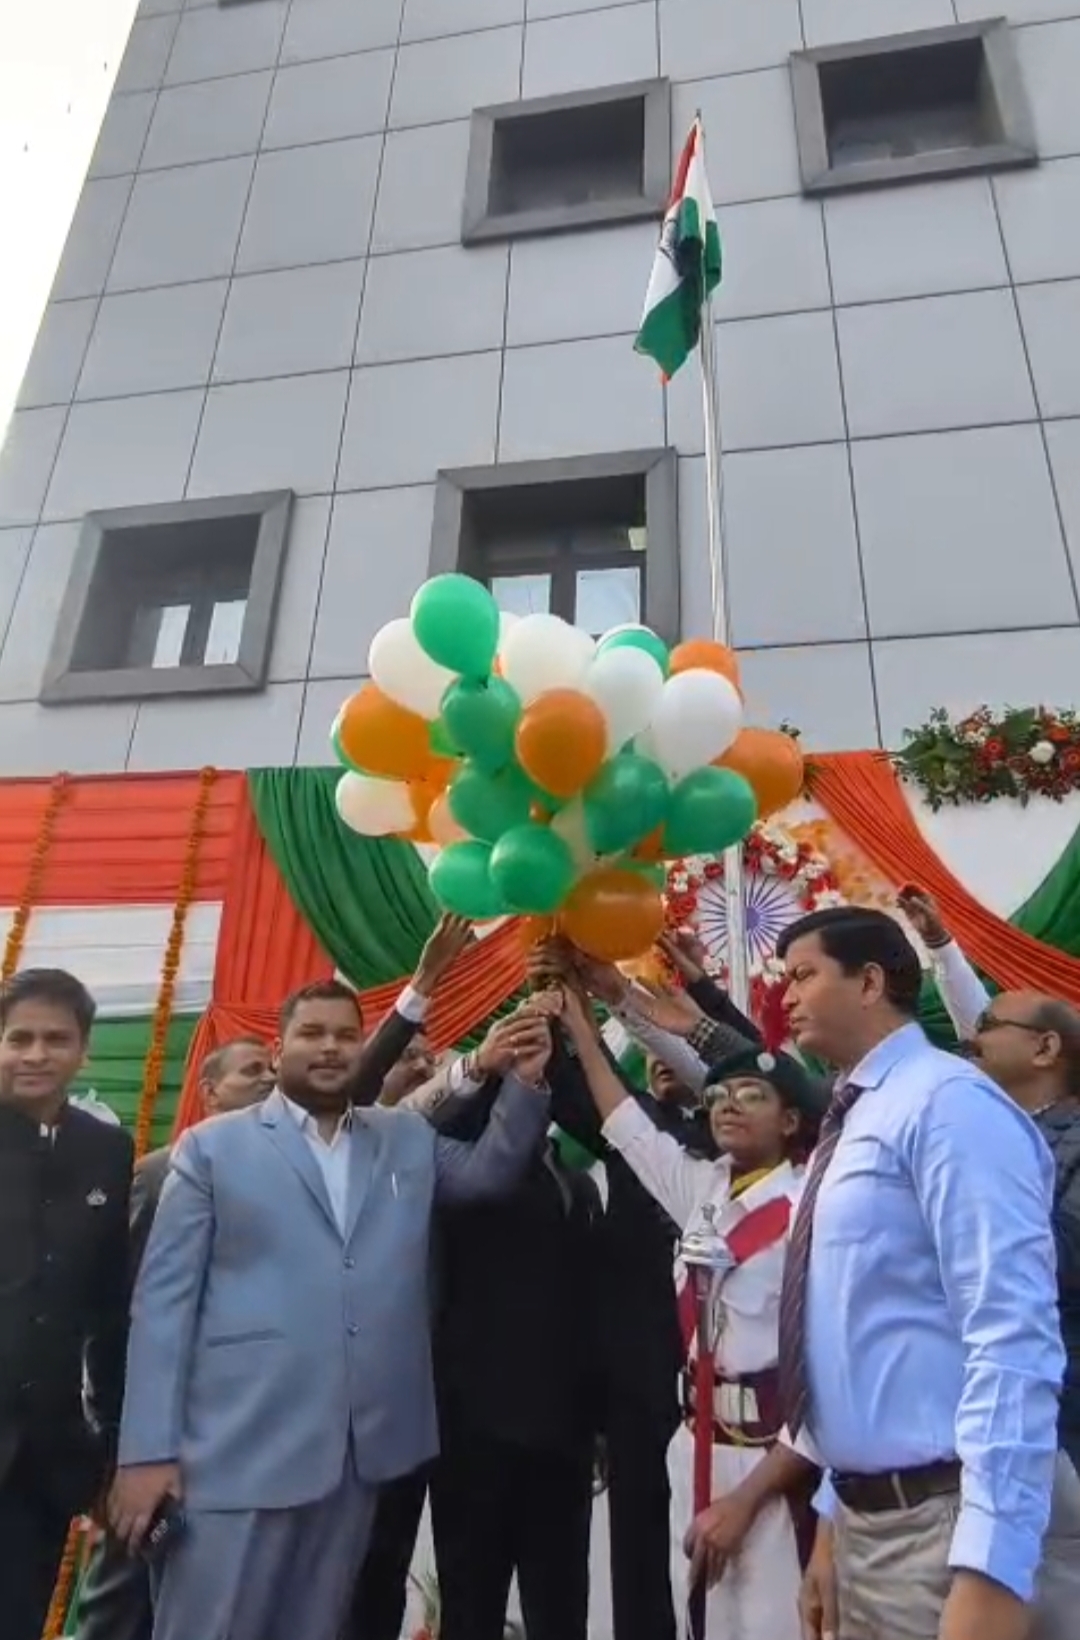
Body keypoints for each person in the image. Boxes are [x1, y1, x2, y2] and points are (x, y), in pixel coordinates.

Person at [109, 971, 554, 1640]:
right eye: (312, 1033)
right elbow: (161, 1310)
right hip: (233, 1454)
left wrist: (526, 1082)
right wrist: (145, 1454)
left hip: (357, 1458)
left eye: (346, 1036)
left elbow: (488, 1172)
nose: (330, 1047)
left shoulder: (402, 1138)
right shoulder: (212, 1148)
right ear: (278, 1048)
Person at [774, 905, 1064, 1640]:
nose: (786, 996)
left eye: (803, 975)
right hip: (865, 1520)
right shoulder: (853, 1117)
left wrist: (993, 1565)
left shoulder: (948, 1104)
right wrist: (832, 1526)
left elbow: (1011, 1332)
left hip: (945, 1526)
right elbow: (864, 1351)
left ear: (870, 982)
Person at [556, 977, 819, 1640]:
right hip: (694, 1442)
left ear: (791, 1121)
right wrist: (582, 1025)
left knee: (776, 1624)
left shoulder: (813, 1210)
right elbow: (624, 1121)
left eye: (752, 1096)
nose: (729, 1106)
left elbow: (828, 1379)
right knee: (703, 1621)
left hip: (775, 1458)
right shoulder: (699, 1187)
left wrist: (749, 1498)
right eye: (720, 1096)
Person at [345, 1008, 543, 1640]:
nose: (422, 1065)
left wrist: (526, 1080)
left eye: (429, 1058)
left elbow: (489, 1172)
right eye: (407, 1056)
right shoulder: (322, 1134)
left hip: (402, 1405)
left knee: (380, 1576)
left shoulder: (419, 1145)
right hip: (310, 1410)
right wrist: (474, 1065)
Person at [74, 1038, 275, 1640]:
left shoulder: (280, 1179)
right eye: (251, 1071)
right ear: (209, 1093)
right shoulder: (162, 1174)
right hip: (152, 1439)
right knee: (124, 1598)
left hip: (236, 1438)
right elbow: (117, 1318)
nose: (268, 1079)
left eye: (272, 1069)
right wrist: (121, 1440)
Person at [900, 886, 1080, 1473]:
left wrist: (971, 1188)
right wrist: (939, 945)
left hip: (1055, 1407)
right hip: (970, 1397)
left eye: (988, 1025)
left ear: (1046, 1049)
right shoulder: (991, 1125)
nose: (967, 1039)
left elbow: (1062, 1256)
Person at [427, 1044, 600, 1640]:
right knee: (472, 1604)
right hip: (474, 1430)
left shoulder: (577, 1184)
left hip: (563, 1431)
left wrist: (594, 1419)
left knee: (561, 1605)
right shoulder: (453, 1176)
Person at [0, 968, 134, 1640]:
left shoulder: (105, 1150)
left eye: (55, 1039)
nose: (35, 1054)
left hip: (44, 1460)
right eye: (18, 1038)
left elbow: (109, 1310)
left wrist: (111, 1444)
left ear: (84, 1049)